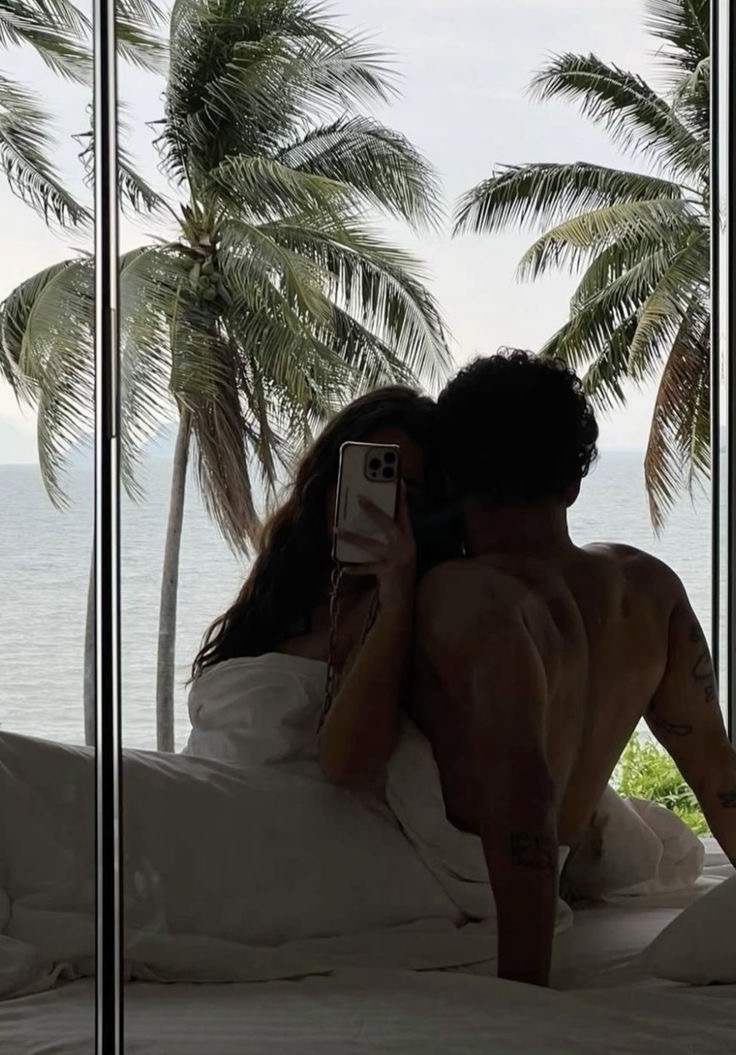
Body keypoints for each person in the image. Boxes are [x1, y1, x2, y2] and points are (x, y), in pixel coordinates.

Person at [412, 350, 736, 988]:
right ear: (573, 483)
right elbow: (716, 770)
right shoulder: (648, 587)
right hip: (548, 869)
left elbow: (522, 790)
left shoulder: (464, 595)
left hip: (466, 884)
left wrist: (524, 989)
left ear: (450, 480)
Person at [187, 386, 458, 784]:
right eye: (363, 478)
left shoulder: (407, 607)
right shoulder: (283, 587)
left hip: (272, 808)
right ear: (327, 478)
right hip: (205, 787)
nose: (375, 504)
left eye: (405, 492)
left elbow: (350, 762)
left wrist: (396, 595)